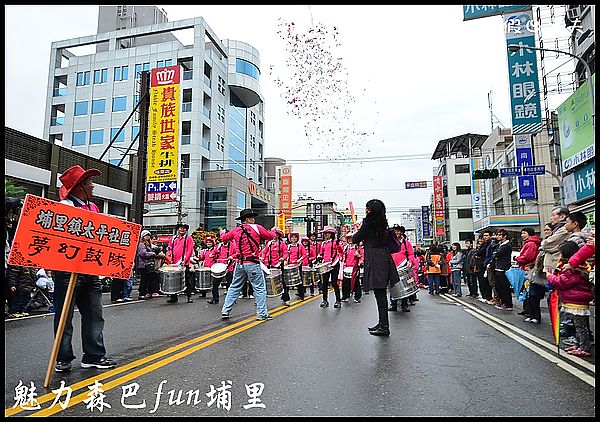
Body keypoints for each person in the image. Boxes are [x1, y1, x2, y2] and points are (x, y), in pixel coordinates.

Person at [53, 165, 116, 372]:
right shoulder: (64, 207)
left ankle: (94, 355)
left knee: (94, 315)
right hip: (67, 272)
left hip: (90, 270)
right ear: (80, 187)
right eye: (89, 182)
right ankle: (63, 358)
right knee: (65, 317)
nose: (93, 186)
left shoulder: (94, 208)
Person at [352, 199, 399, 337]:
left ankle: (384, 326)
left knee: (380, 294)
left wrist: (360, 228)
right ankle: (382, 323)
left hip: (375, 259)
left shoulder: (369, 223)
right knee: (381, 293)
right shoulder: (383, 224)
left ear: (372, 210)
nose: (366, 211)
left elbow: (355, 238)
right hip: (384, 259)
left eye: (368, 208)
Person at [219, 208, 275, 320]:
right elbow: (270, 236)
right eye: (252, 217)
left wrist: (222, 233)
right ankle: (262, 313)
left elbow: (224, 238)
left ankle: (225, 310)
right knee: (259, 288)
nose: (254, 219)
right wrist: (274, 230)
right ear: (248, 219)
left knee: (234, 287)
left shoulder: (235, 230)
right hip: (252, 263)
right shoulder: (257, 228)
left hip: (239, 263)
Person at [546, 241, 593, 357]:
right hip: (577, 300)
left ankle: (584, 347)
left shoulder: (573, 269)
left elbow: (562, 282)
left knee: (581, 326)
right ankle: (579, 344)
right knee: (579, 326)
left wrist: (549, 276)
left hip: (577, 302)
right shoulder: (579, 266)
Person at [513, 227, 542, 317]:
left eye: (524, 233)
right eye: (522, 233)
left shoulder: (531, 244)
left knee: (529, 291)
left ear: (530, 234)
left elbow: (528, 257)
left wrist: (517, 258)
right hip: (526, 268)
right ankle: (527, 310)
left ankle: (530, 312)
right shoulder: (529, 243)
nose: (522, 235)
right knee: (526, 290)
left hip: (529, 269)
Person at [165, 223, 195, 303]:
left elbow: (189, 250)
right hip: (173, 263)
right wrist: (169, 256)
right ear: (178, 229)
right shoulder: (173, 238)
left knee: (187, 280)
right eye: (181, 228)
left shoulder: (189, 239)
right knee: (173, 280)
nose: (182, 230)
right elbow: (169, 248)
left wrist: (185, 261)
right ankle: (173, 297)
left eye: (184, 228)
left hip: (183, 263)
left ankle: (189, 296)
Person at [261, 227, 291, 306]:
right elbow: (264, 251)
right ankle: (261, 300)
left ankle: (286, 298)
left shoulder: (282, 244)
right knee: (264, 282)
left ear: (278, 235)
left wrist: (282, 258)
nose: (273, 235)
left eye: (274, 234)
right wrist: (262, 257)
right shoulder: (269, 243)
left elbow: (285, 253)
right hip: (269, 265)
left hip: (278, 265)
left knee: (282, 282)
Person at [388, 224, 415, 311]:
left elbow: (411, 255)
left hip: (404, 267)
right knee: (393, 286)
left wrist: (410, 262)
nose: (397, 233)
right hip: (392, 267)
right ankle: (393, 304)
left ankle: (404, 305)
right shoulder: (389, 243)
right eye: (395, 231)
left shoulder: (406, 244)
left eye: (399, 231)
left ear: (402, 232)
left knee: (405, 286)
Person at [317, 226, 344, 308]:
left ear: (331, 234)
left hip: (334, 264)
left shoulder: (336, 242)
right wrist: (319, 257)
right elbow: (321, 253)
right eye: (325, 233)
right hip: (326, 264)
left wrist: (338, 244)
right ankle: (325, 300)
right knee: (324, 283)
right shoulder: (323, 243)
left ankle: (338, 301)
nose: (326, 235)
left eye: (328, 233)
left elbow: (341, 251)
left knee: (334, 283)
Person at [490, 229, 513, 311]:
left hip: (503, 269)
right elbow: (494, 253)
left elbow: (497, 254)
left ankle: (507, 303)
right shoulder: (499, 244)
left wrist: (495, 254)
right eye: (497, 235)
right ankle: (503, 302)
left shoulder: (507, 245)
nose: (497, 236)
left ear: (505, 236)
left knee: (504, 287)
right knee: (499, 287)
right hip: (497, 267)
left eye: (500, 235)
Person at [341, 232, 363, 303]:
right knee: (345, 283)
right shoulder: (346, 248)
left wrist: (360, 260)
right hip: (347, 267)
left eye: (351, 238)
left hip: (355, 267)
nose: (350, 240)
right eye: (349, 238)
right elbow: (343, 256)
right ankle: (345, 296)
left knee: (356, 283)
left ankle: (357, 297)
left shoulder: (357, 248)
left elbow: (362, 257)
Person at [137, 230, 158, 300]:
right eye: (146, 235)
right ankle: (142, 293)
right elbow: (143, 254)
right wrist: (152, 253)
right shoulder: (142, 244)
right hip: (143, 264)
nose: (148, 237)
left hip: (147, 264)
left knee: (147, 279)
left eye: (149, 235)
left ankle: (146, 292)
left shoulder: (147, 244)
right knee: (144, 279)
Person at [286, 231, 308, 301]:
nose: (294, 238)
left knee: (299, 280)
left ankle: (301, 295)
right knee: (287, 281)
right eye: (292, 237)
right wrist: (286, 261)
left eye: (295, 237)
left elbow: (304, 254)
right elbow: (286, 255)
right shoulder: (288, 246)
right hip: (289, 265)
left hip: (298, 265)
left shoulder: (300, 246)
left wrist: (299, 260)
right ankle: (285, 297)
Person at [200, 237, 221, 304]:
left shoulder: (215, 250)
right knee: (204, 281)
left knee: (214, 284)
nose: (208, 243)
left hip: (213, 268)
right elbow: (201, 258)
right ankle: (203, 293)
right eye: (207, 242)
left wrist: (214, 255)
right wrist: (200, 254)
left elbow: (218, 256)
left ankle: (215, 298)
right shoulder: (205, 251)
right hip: (206, 268)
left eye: (210, 242)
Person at [474, 232, 493, 303]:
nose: (485, 237)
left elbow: (479, 253)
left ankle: (487, 297)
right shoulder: (485, 245)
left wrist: (478, 254)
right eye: (484, 236)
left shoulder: (488, 245)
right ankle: (484, 296)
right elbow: (477, 253)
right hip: (480, 266)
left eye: (487, 235)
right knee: (481, 282)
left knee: (485, 282)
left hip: (485, 266)